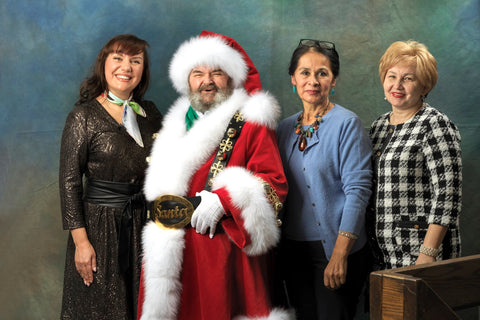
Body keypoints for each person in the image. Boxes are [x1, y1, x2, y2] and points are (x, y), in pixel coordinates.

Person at [137, 31, 292, 320]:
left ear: (231, 78)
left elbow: (274, 184)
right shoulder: (173, 126)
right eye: (198, 73)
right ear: (187, 80)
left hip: (222, 256)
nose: (206, 81)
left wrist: (226, 199)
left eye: (216, 72)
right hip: (172, 252)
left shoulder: (250, 122)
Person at [59, 34, 162, 320]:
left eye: (135, 61)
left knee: (143, 307)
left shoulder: (151, 113)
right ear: (104, 64)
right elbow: (68, 184)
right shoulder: (83, 117)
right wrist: (81, 243)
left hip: (144, 224)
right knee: (102, 309)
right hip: (99, 228)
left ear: (143, 71)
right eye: (118, 58)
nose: (126, 67)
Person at [276, 39, 372, 320]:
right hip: (293, 252)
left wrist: (340, 255)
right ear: (293, 78)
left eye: (322, 73)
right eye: (305, 72)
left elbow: (357, 191)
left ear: (334, 80)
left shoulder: (347, 124)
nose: (313, 81)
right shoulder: (284, 129)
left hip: (335, 249)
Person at [367, 40, 462, 270]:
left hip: (421, 255)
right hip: (381, 256)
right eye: (392, 76)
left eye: (408, 78)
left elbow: (448, 194)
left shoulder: (435, 124)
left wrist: (428, 253)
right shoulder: (378, 126)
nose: (397, 85)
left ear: (424, 86)